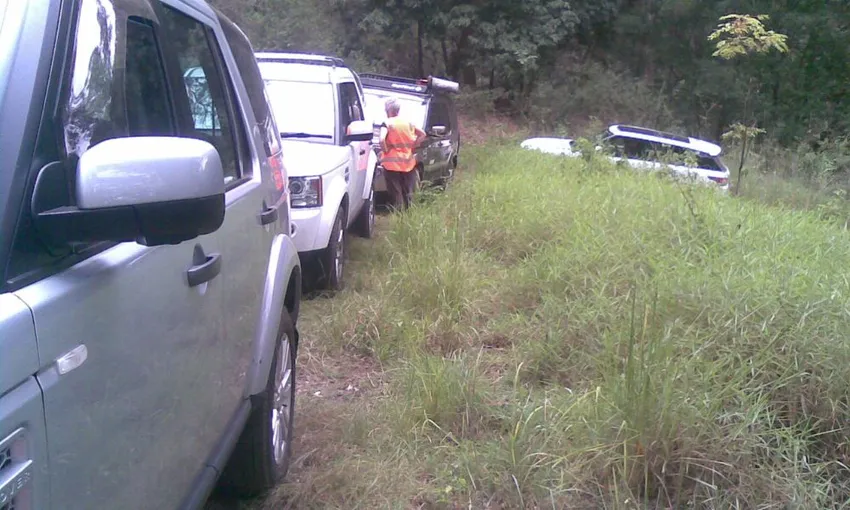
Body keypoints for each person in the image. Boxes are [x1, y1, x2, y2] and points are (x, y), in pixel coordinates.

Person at [379, 97, 427, 211]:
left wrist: (385, 150)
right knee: (408, 192)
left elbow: (381, 140)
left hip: (391, 164)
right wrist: (414, 145)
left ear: (388, 111)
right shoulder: (409, 123)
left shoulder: (387, 123)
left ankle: (399, 216)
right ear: (398, 110)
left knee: (396, 193)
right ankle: (408, 215)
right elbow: (423, 134)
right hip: (408, 163)